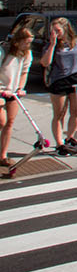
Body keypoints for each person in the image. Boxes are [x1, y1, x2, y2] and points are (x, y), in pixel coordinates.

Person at [40, 17, 77, 156]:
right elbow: (45, 63)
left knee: (76, 111)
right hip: (59, 79)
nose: (56, 33)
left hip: (76, 77)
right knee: (59, 114)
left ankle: (70, 137)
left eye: (58, 30)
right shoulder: (51, 44)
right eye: (53, 31)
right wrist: (52, 44)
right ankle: (59, 143)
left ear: (65, 28)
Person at [0, 27, 33, 168]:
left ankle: (3, 155)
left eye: (29, 43)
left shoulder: (26, 54)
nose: (28, 45)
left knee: (10, 122)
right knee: (2, 121)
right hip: (1, 90)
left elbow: (24, 72)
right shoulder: (4, 51)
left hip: (13, 92)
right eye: (26, 42)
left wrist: (20, 88)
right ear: (18, 41)